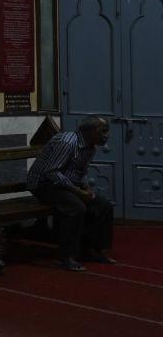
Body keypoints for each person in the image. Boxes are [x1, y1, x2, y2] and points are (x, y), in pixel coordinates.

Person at [27, 116, 115, 271]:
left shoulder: (90, 147)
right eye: (103, 131)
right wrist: (78, 192)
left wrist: (86, 188)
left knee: (104, 206)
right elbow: (51, 172)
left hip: (65, 184)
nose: (107, 135)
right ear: (90, 131)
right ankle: (65, 257)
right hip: (44, 184)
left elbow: (80, 172)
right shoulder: (67, 142)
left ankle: (92, 250)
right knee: (76, 207)